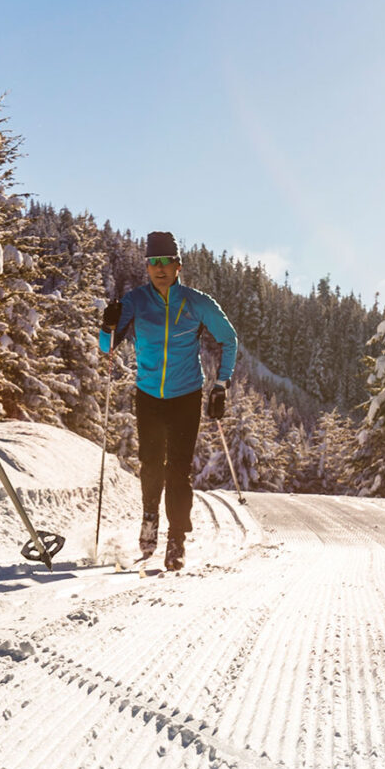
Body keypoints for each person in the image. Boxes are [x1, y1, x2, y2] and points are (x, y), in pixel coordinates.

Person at [99, 232, 237, 571]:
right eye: (153, 262)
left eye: (166, 262)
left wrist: (220, 385)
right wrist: (107, 324)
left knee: (177, 471)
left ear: (178, 265)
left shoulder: (196, 302)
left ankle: (177, 539)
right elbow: (107, 347)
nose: (160, 269)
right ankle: (149, 519)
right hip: (148, 394)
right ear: (147, 266)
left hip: (185, 396)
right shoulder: (136, 301)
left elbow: (229, 339)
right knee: (149, 463)